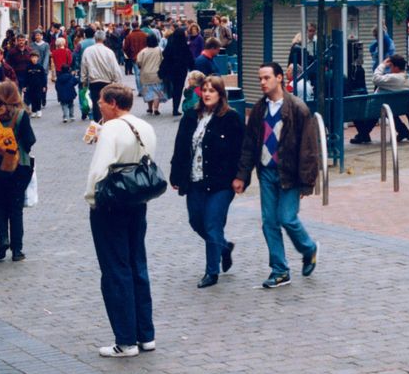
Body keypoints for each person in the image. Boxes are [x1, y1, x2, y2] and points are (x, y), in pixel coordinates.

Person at [85, 83, 158, 357]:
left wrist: (92, 199)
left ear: (113, 103)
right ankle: (145, 334)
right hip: (137, 201)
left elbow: (99, 170)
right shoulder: (145, 127)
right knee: (137, 263)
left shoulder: (112, 129)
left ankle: (125, 340)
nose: (99, 106)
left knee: (115, 269)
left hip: (111, 204)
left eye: (102, 102)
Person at [233, 63, 320, 289]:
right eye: (260, 78)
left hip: (289, 173)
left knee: (287, 218)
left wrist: (306, 182)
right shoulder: (259, 110)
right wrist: (242, 175)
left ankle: (308, 248)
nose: (262, 82)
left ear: (279, 78)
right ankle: (280, 270)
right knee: (269, 222)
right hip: (267, 173)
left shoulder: (297, 109)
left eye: (266, 78)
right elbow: (250, 144)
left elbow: (309, 147)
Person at [169, 75, 244, 288]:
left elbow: (241, 150)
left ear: (221, 94)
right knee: (196, 221)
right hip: (195, 180)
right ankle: (223, 247)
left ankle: (212, 272)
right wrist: (176, 175)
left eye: (213, 90)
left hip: (221, 182)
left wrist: (240, 177)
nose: (208, 94)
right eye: (205, 90)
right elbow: (181, 147)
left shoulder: (230, 118)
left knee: (212, 224)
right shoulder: (191, 116)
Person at [0, 80, 36, 261]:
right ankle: (17, 250)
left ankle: (2, 239)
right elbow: (30, 141)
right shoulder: (20, 115)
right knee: (16, 207)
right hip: (19, 166)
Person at [350, 54, 409, 144]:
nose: (390, 68)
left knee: (354, 109)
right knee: (385, 110)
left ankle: (363, 134)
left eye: (391, 66)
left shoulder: (394, 78)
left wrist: (382, 65)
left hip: (377, 107)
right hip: (393, 107)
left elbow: (375, 79)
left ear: (396, 67)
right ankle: (364, 134)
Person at [81, 30, 123, 123]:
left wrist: (83, 80)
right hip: (107, 81)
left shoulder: (88, 51)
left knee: (96, 103)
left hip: (94, 81)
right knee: (107, 102)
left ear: (95, 38)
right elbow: (115, 68)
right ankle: (107, 121)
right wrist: (117, 81)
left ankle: (98, 122)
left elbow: (84, 66)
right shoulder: (109, 52)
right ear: (104, 39)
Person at [159, 27, 194, 116]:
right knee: (178, 89)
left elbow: (165, 55)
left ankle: (173, 101)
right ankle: (175, 108)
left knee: (173, 87)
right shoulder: (184, 45)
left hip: (171, 70)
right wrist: (192, 68)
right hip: (181, 71)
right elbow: (189, 58)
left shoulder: (170, 44)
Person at [136, 33, 165, 115]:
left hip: (145, 75)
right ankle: (156, 108)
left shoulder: (143, 52)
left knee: (148, 92)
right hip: (157, 74)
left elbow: (139, 62)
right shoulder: (160, 50)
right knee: (157, 92)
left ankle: (149, 108)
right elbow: (163, 60)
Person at [22, 52, 47, 117]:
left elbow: (43, 77)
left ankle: (39, 110)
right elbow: (25, 77)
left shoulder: (40, 67)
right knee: (32, 98)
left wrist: (44, 86)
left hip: (39, 86)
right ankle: (34, 110)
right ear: (30, 58)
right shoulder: (28, 67)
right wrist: (24, 86)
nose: (34, 59)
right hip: (31, 86)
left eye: (35, 57)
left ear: (38, 58)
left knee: (38, 98)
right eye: (32, 57)